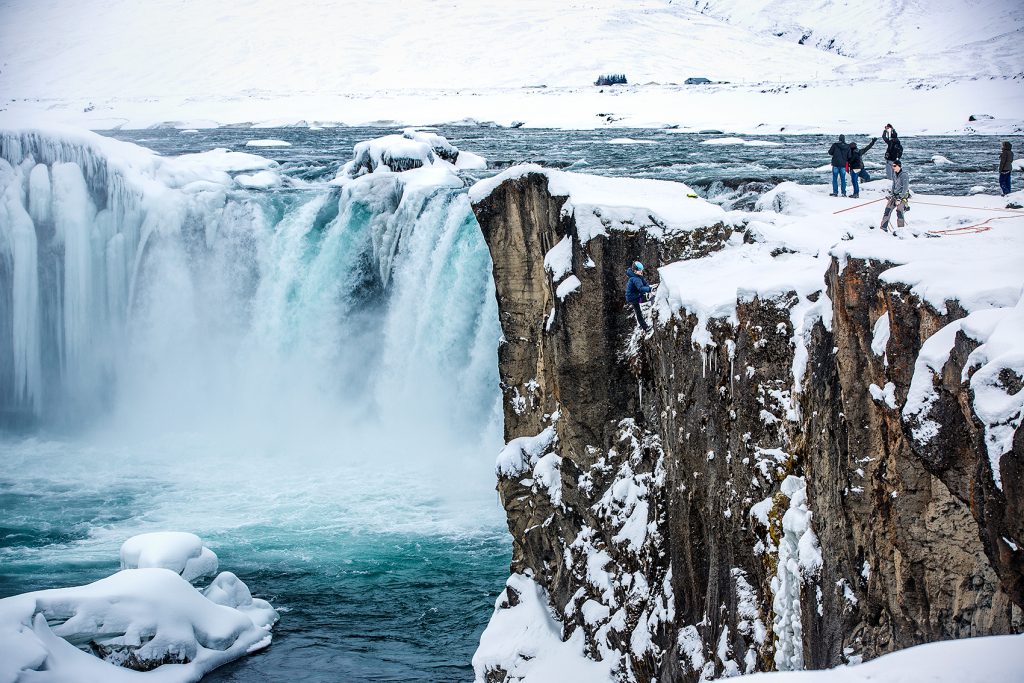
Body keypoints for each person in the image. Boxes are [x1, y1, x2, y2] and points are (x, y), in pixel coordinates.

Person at [879, 159, 910, 232]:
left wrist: (900, 198)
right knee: (887, 210)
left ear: (899, 166)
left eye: (894, 166)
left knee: (899, 212)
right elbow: (893, 185)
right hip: (894, 196)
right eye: (893, 166)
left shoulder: (904, 175)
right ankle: (883, 228)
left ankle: (901, 230)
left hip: (901, 197)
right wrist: (891, 194)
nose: (893, 167)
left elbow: (905, 188)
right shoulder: (894, 174)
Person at [625, 261, 652, 331]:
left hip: (637, 295)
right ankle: (645, 327)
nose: (641, 271)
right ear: (634, 271)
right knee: (638, 312)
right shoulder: (635, 279)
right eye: (639, 270)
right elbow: (640, 288)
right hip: (633, 298)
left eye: (641, 269)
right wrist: (649, 289)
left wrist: (649, 288)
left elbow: (645, 284)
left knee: (648, 298)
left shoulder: (638, 276)